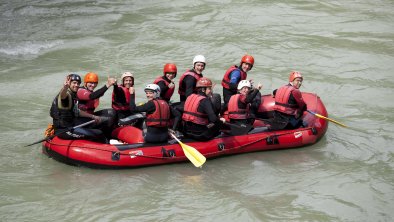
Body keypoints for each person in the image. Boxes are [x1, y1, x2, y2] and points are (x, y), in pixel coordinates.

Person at [49, 74, 105, 141]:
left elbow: (77, 111)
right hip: (64, 130)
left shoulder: (73, 95)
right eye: (74, 83)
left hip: (71, 125)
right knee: (99, 133)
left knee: (99, 126)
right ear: (69, 84)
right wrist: (65, 87)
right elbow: (62, 96)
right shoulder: (66, 96)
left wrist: (93, 116)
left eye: (78, 83)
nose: (76, 85)